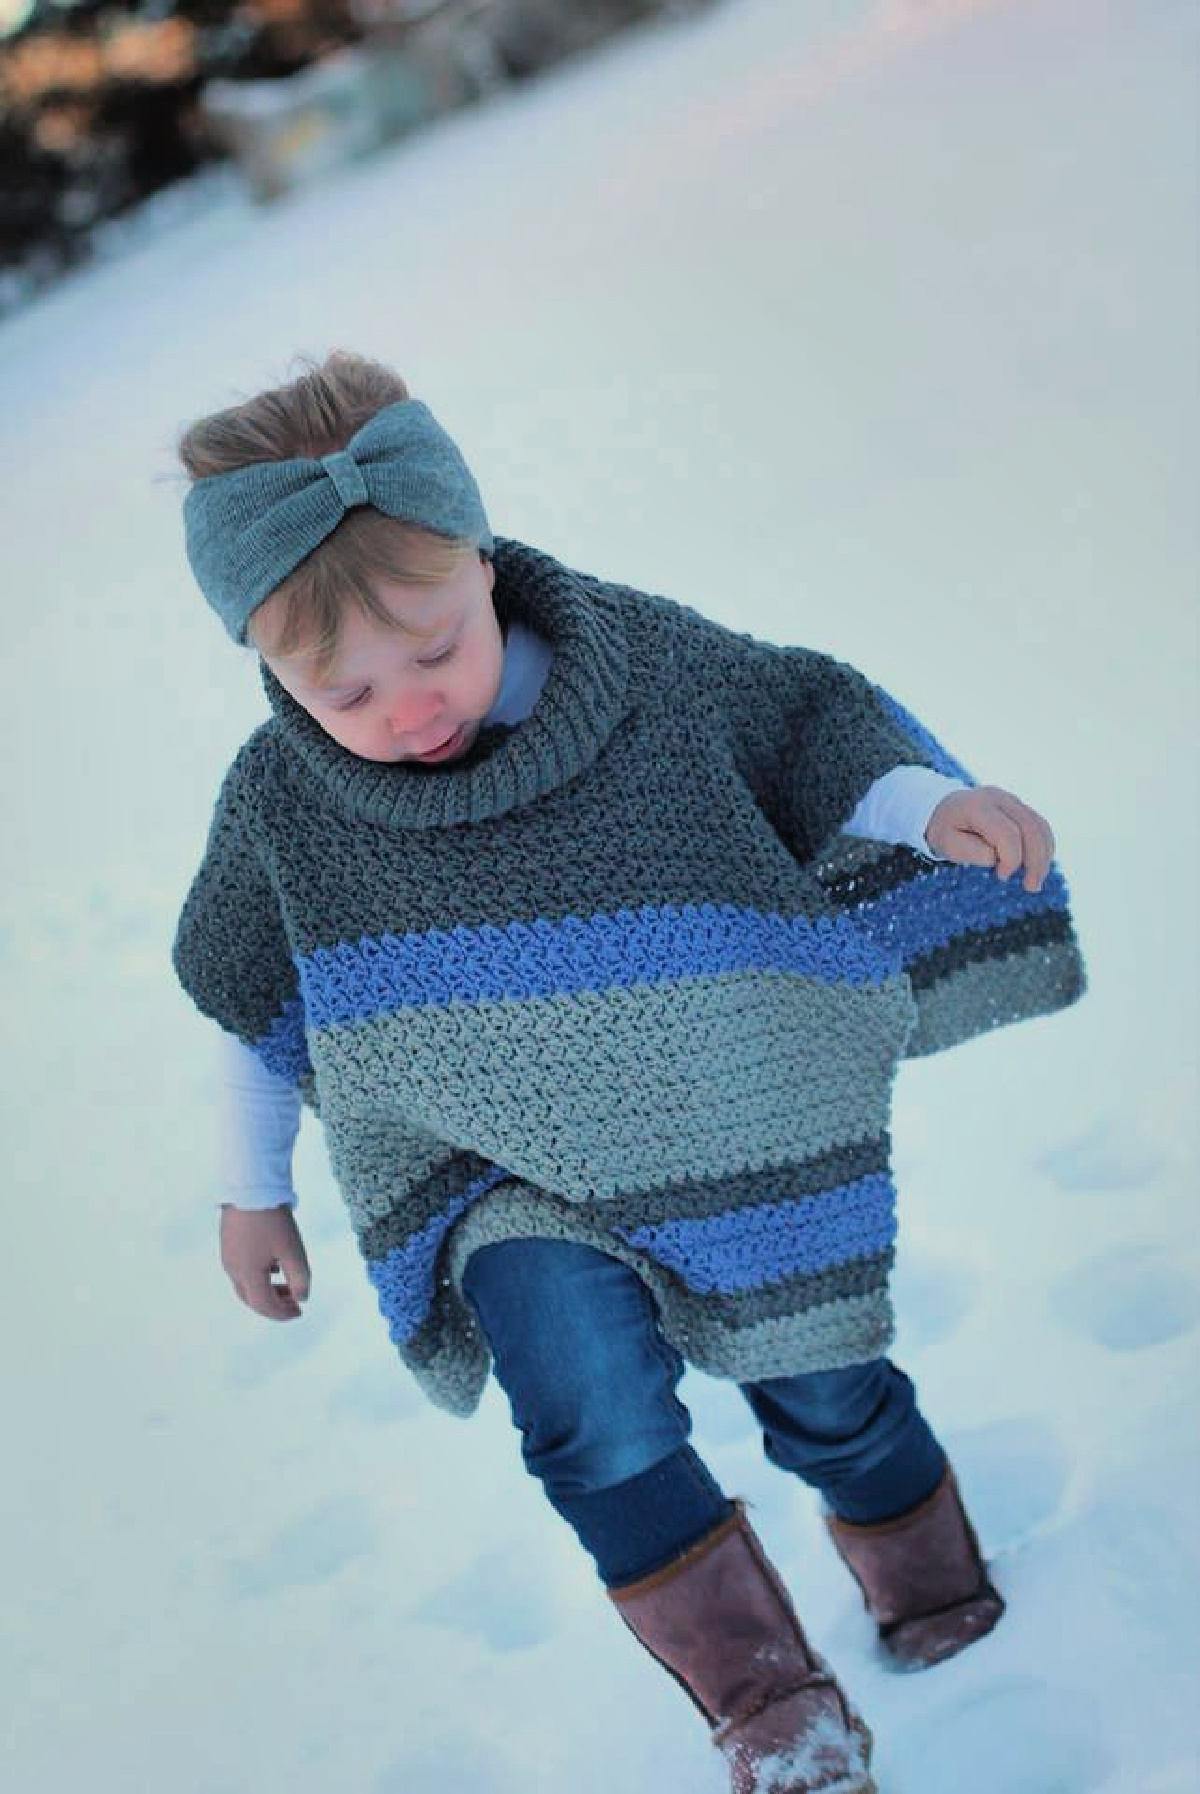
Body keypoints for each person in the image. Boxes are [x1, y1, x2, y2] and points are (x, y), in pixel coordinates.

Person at [172, 349, 1085, 1794]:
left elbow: (808, 728)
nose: (408, 709)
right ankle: (770, 1707)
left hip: (734, 1125)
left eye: (436, 650)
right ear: (270, 670)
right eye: (344, 691)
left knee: (827, 1387)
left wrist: (932, 807)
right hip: (491, 1175)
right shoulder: (284, 806)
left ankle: (926, 1572)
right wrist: (250, 1188)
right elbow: (250, 992)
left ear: (482, 561)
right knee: (586, 1419)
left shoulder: (642, 672)